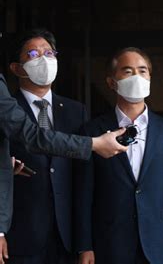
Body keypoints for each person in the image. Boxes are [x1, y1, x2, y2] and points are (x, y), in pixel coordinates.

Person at [75, 47, 163, 264]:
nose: (136, 77)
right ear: (111, 82)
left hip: (160, 242)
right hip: (110, 242)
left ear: (150, 79)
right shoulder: (92, 131)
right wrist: (85, 246)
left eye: (142, 71)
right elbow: (84, 193)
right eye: (127, 71)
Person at [0, 74, 127, 264]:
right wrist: (94, 144)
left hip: (63, 236)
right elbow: (31, 135)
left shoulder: (75, 109)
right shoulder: (14, 101)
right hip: (25, 233)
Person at [1, 28, 87, 264]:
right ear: (16, 68)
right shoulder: (7, 110)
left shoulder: (76, 111)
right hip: (21, 234)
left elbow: (84, 177)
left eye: (49, 53)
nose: (44, 60)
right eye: (33, 54)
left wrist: (86, 241)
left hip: (67, 235)